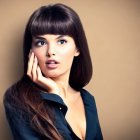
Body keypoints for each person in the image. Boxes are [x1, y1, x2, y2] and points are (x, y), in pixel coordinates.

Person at [3, 3, 103, 140]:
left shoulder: (87, 100)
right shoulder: (18, 98)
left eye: (61, 41)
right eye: (41, 43)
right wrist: (55, 97)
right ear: (31, 51)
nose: (50, 52)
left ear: (77, 49)